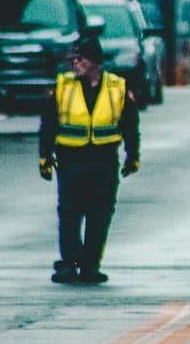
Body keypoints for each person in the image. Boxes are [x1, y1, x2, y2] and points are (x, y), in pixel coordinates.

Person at [39, 35, 141, 284]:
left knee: (100, 215)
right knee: (70, 213)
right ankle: (69, 263)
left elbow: (130, 124)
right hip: (71, 160)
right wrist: (44, 156)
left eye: (80, 59)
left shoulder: (118, 88)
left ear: (94, 61)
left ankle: (90, 265)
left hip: (104, 162)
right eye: (73, 59)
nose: (75, 64)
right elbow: (49, 124)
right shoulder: (63, 87)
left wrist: (132, 156)